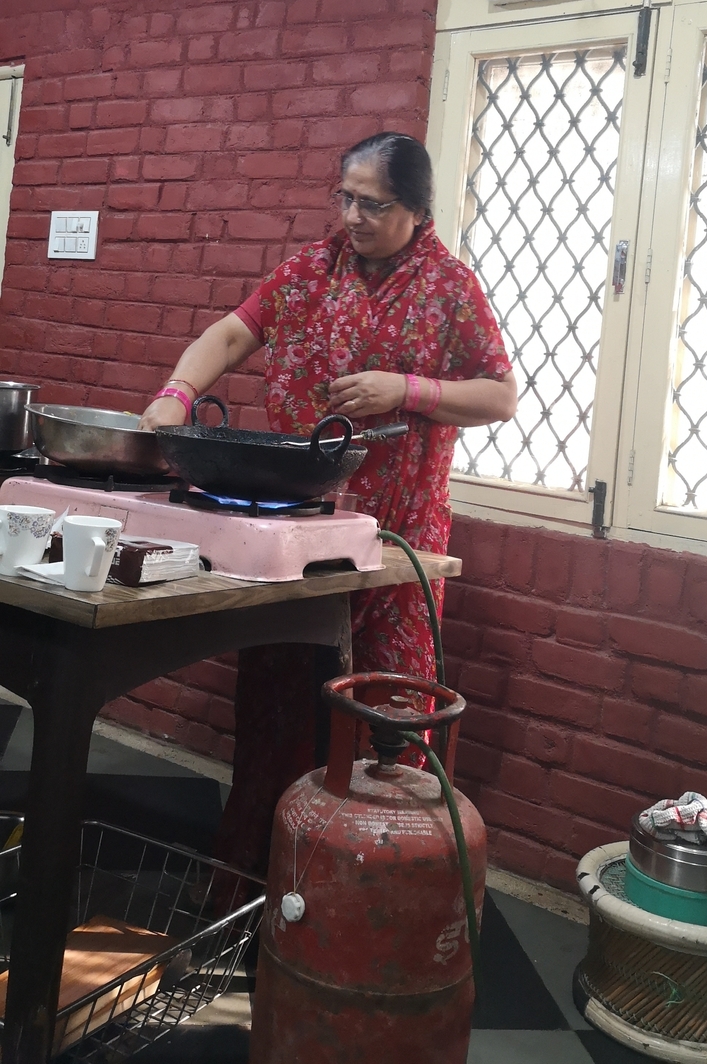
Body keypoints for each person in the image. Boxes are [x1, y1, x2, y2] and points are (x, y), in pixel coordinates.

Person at [140, 132, 516, 879]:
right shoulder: (311, 271)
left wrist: (405, 390)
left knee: (389, 721)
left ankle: (369, 906)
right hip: (297, 536)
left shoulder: (448, 288)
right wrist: (176, 393)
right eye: (344, 197)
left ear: (415, 208)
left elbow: (499, 395)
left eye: (372, 203)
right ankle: (249, 891)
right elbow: (229, 333)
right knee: (276, 713)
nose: (352, 215)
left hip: (396, 546)